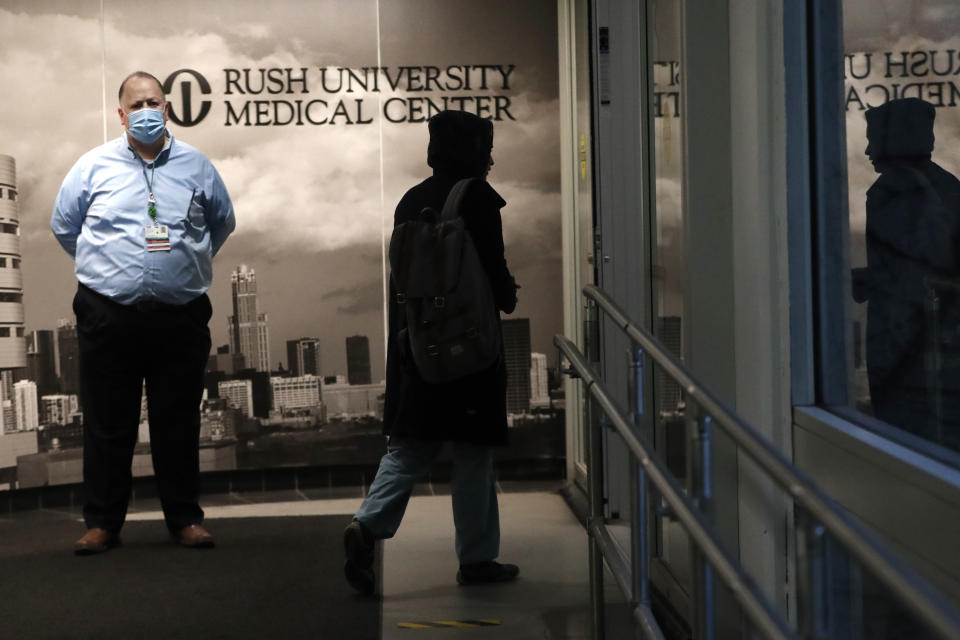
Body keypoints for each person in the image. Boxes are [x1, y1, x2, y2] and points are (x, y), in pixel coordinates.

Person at [51, 71, 236, 554]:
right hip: (107, 314)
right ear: (121, 114)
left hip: (180, 315)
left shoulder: (197, 166)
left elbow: (221, 223)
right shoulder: (92, 167)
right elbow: (64, 227)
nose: (146, 111)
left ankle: (185, 519)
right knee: (108, 422)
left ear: (168, 108)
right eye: (137, 105)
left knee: (178, 421)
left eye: (154, 102)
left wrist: (181, 267)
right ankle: (103, 524)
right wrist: (112, 270)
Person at [344, 110, 519, 594]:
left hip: (418, 347)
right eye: (486, 146)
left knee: (409, 447)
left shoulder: (410, 201)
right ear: (474, 151)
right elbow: (494, 266)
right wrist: (507, 296)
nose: (489, 156)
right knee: (473, 454)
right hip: (471, 350)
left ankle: (366, 526)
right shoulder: (477, 198)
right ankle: (478, 558)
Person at [853, 97, 960, 450]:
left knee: (907, 439)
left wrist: (865, 280)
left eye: (874, 138)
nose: (869, 149)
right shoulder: (945, 186)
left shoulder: (897, 192)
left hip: (910, 343)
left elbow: (917, 270)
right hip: (932, 343)